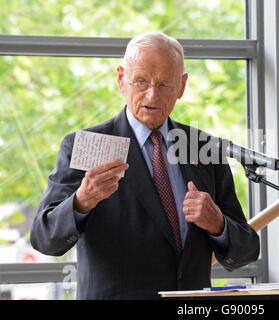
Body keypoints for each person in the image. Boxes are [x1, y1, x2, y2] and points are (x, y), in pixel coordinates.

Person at [30, 32, 260, 299]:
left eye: (164, 85)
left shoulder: (203, 147)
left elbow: (247, 250)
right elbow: (44, 238)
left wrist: (218, 224)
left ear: (182, 86)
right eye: (141, 81)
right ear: (121, 79)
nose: (152, 95)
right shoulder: (88, 145)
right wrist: (81, 202)